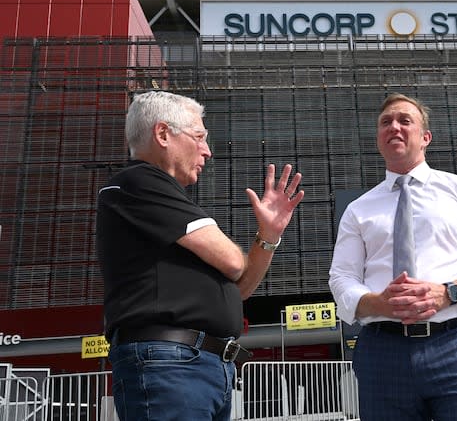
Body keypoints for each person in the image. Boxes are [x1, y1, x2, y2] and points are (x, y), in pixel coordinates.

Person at [96, 91, 304, 421]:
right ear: (163, 134)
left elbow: (240, 290)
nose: (207, 150)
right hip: (171, 365)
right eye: (199, 137)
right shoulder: (138, 182)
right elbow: (235, 264)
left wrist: (268, 236)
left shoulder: (158, 201)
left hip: (196, 365)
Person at [328, 93, 457, 420]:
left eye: (404, 120)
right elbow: (342, 277)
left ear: (426, 138)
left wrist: (449, 292)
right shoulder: (358, 210)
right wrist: (379, 303)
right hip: (382, 354)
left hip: (455, 345)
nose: (394, 127)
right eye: (386, 122)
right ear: (378, 139)